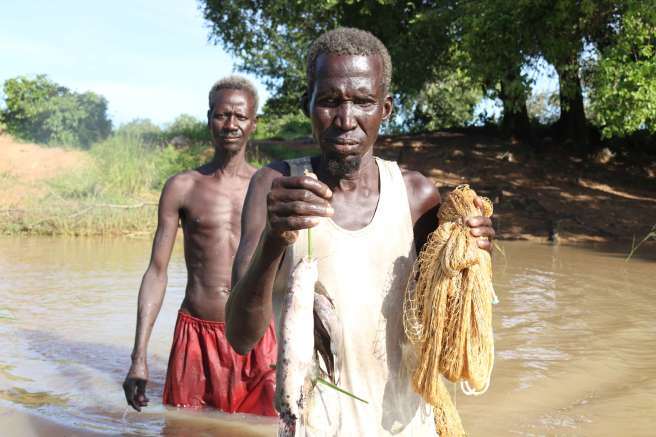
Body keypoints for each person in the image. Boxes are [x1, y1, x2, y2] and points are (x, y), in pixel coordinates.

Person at [225, 28, 495, 436]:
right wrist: (272, 241)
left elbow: (446, 327)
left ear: (385, 108)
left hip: (407, 426)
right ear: (308, 105)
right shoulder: (275, 186)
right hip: (314, 427)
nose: (346, 120)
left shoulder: (417, 195)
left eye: (363, 102)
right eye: (330, 101)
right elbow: (241, 338)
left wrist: (471, 254)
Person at [122, 76, 277, 417]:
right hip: (196, 334)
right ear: (209, 119)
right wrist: (139, 357)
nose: (231, 124)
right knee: (185, 427)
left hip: (257, 336)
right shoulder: (182, 187)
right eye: (222, 115)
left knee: (264, 427)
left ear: (254, 123)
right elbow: (156, 272)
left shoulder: (271, 186)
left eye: (240, 116)